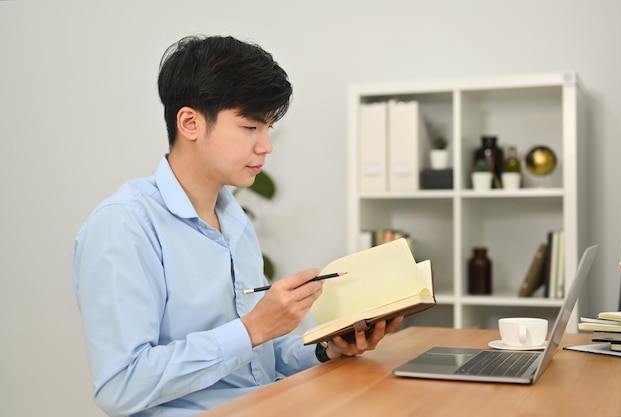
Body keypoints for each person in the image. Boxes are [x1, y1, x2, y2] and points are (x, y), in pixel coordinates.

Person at [72, 34, 403, 417]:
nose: (266, 146)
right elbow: (121, 387)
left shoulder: (233, 220)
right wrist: (252, 329)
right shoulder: (123, 226)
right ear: (190, 123)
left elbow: (253, 365)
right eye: (250, 128)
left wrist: (327, 346)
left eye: (268, 128)